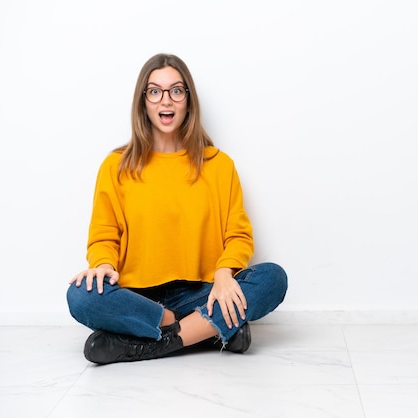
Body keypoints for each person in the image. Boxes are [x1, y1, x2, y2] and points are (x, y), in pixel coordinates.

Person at [66, 53, 288, 365]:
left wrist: (225, 274)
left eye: (176, 91)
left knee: (272, 278)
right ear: (143, 102)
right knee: (80, 296)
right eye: (154, 91)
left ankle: (152, 342)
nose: (165, 101)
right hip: (138, 297)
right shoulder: (115, 165)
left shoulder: (219, 165)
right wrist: (102, 264)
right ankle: (207, 328)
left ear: (188, 100)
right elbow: (104, 234)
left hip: (203, 291)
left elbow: (238, 235)